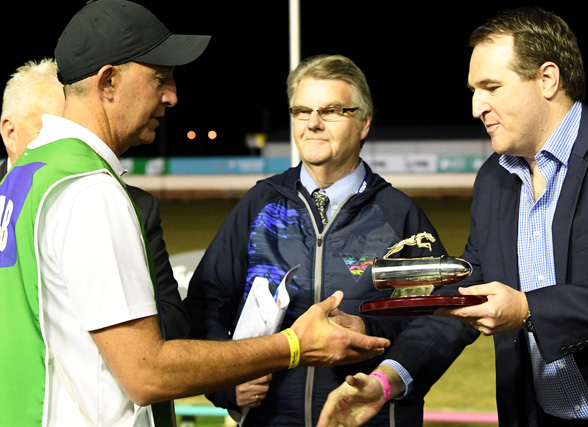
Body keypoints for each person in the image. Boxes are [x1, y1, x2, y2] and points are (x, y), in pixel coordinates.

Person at [0, 2, 390, 426]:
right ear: (108, 81)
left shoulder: (25, 175)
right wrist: (294, 345)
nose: (172, 95)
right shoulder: (90, 190)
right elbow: (147, 372)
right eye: (159, 78)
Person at [318, 7, 588, 427]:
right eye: (473, 90)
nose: (476, 107)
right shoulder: (494, 178)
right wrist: (386, 379)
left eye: (491, 86)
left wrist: (529, 310)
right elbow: (468, 296)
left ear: (547, 79)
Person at [184, 54, 447, 427]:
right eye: (302, 110)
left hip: (368, 417)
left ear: (364, 122)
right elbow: (204, 305)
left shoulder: (399, 215)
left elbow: (435, 322)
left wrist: (368, 331)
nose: (313, 123)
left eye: (332, 111)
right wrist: (227, 381)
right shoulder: (260, 205)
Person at [0, 58, 190, 340]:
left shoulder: (131, 206)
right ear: (10, 133)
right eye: (48, 130)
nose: (61, 142)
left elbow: (172, 323)